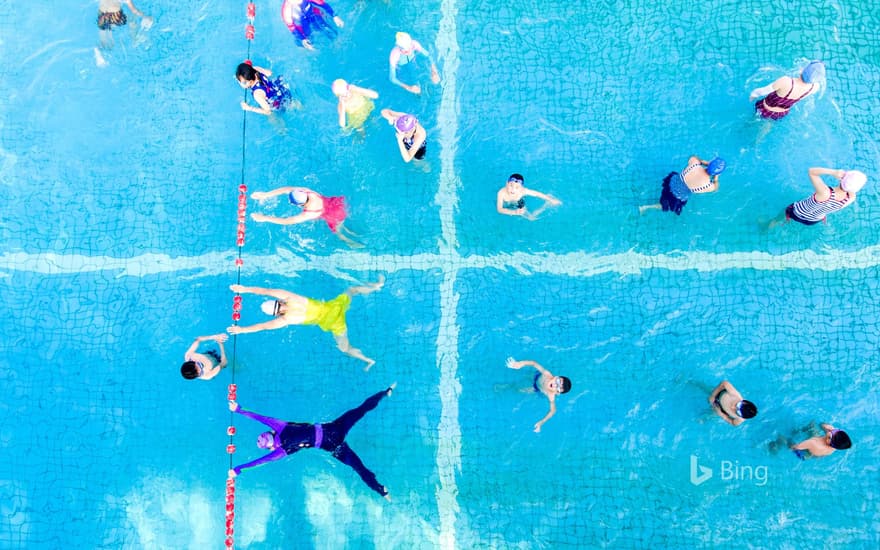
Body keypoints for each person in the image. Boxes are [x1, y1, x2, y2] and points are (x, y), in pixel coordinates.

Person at [228, 384, 396, 500]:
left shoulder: (281, 451)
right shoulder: (280, 426)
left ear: (271, 446)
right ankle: (385, 392)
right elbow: (260, 418)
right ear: (271, 432)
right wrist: (238, 410)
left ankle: (381, 491)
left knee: (359, 468)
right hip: (334, 428)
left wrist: (238, 469)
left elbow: (261, 461)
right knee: (360, 410)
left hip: (333, 447)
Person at [226, 278, 384, 370]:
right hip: (335, 306)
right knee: (352, 290)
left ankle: (368, 360)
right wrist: (244, 289)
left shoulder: (285, 319)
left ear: (276, 313)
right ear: (278, 302)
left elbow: (263, 326)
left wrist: (242, 330)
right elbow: (266, 291)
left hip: (335, 324)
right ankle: (376, 286)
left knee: (344, 348)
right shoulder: (290, 297)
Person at [250, 186, 363, 248]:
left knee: (340, 233)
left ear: (300, 204)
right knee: (343, 225)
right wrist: (265, 195)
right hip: (336, 204)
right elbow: (286, 189)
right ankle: (355, 234)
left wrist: (264, 218)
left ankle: (354, 244)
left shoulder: (309, 212)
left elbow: (287, 221)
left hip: (332, 215)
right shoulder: (307, 191)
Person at [778, 167, 867, 226]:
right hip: (813, 221)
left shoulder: (825, 192)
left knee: (777, 218)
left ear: (841, 178)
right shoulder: (851, 198)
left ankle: (769, 225)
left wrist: (833, 172)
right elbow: (852, 192)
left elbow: (812, 171)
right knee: (822, 210)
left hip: (796, 213)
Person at [639, 156, 725, 215]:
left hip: (671, 182)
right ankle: (646, 207)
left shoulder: (694, 164)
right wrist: (716, 178)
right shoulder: (707, 185)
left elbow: (693, 157)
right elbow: (716, 187)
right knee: (666, 206)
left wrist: (703, 162)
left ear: (710, 163)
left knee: (665, 192)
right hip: (677, 197)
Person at [506, 358, 572, 433]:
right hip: (537, 376)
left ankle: (508, 386)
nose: (555, 385)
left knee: (519, 390)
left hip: (536, 388)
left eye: (558, 388)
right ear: (556, 377)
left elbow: (553, 410)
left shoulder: (551, 395)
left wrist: (541, 422)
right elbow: (534, 363)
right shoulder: (547, 374)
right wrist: (521, 363)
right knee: (527, 375)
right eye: (557, 381)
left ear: (557, 393)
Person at [750, 61, 825, 120]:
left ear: (802, 70)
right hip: (781, 113)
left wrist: (752, 95)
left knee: (753, 120)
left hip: (765, 109)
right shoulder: (814, 87)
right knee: (768, 124)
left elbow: (761, 92)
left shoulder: (786, 81)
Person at [496, 173, 562, 220]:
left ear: (521, 188)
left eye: (517, 187)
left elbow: (537, 194)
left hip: (519, 202)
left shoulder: (523, 191)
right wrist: (513, 212)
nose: (513, 189)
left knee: (531, 218)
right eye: (511, 185)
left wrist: (551, 200)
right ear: (506, 183)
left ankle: (544, 207)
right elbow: (499, 209)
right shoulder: (501, 193)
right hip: (506, 204)